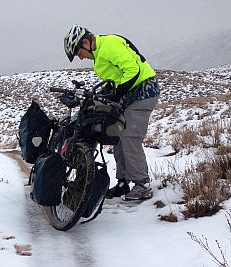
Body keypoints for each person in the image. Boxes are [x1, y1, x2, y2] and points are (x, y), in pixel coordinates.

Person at [63, 25, 160, 201]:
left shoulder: (110, 45)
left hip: (143, 91)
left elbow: (133, 71)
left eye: (78, 52)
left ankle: (142, 184)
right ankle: (123, 182)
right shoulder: (98, 57)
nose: (80, 57)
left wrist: (116, 93)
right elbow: (115, 80)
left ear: (85, 42)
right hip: (129, 96)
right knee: (117, 136)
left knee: (130, 136)